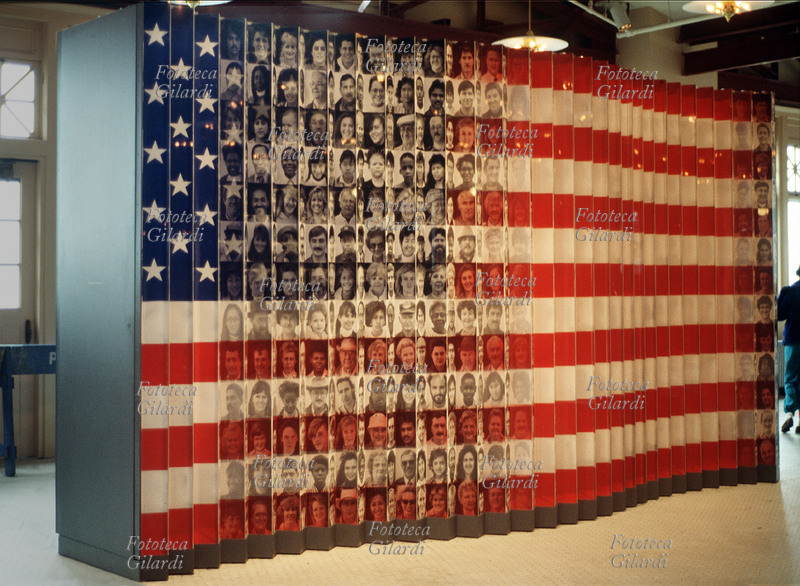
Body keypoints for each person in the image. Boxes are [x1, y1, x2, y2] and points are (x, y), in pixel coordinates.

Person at [780, 265, 800, 432]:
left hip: (793, 341)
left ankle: (789, 415)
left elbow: (779, 315)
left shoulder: (791, 291)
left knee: (790, 379)